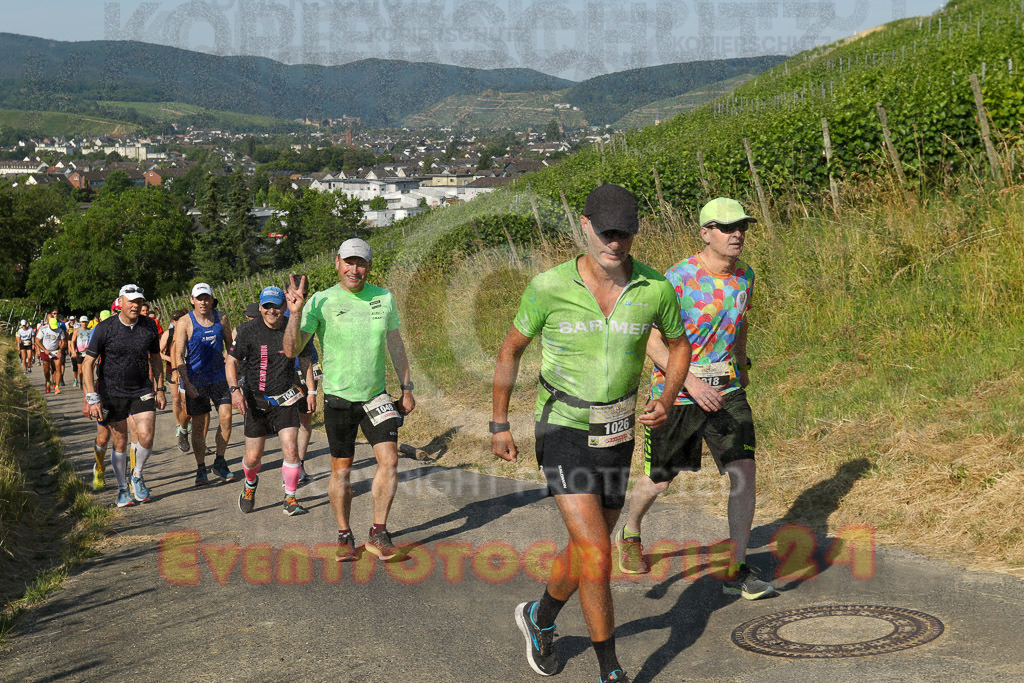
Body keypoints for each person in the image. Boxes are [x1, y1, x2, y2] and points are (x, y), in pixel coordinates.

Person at [491, 184, 690, 683]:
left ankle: (539, 618)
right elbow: (510, 350)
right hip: (561, 425)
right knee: (600, 552)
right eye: (606, 232)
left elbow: (679, 345)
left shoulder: (654, 287)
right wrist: (499, 423)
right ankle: (611, 670)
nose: (615, 242)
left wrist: (666, 399)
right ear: (584, 226)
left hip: (618, 431)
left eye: (624, 233)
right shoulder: (547, 286)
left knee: (589, 544)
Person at [617, 197, 776, 601]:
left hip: (726, 389)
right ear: (706, 233)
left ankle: (737, 567)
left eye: (742, 225)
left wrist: (740, 367)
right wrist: (687, 381)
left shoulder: (745, 276)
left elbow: (739, 325)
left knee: (744, 472)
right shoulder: (678, 278)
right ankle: (631, 532)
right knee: (661, 479)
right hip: (676, 392)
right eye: (726, 227)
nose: (736, 233)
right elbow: (650, 337)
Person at [283, 238, 415, 562]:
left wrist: (407, 387)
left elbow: (395, 344)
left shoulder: (383, 298)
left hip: (376, 396)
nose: (354, 269)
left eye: (361, 263)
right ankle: (344, 534)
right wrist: (295, 313)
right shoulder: (320, 300)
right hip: (340, 399)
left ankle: (379, 531)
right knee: (341, 470)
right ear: (338, 262)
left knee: (391, 460)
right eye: (349, 262)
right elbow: (291, 349)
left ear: (369, 267)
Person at [227, 287, 316, 516]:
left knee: (290, 449)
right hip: (255, 402)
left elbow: (305, 361)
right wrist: (235, 390)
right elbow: (230, 362)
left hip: (285, 399)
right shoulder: (247, 330)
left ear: (284, 307)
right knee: (253, 457)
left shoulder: (293, 329)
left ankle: (290, 498)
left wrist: (312, 392)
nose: (271, 310)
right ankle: (249, 483)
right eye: (266, 306)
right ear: (260, 307)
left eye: (276, 306)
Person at [81, 284, 166, 507]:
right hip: (112, 391)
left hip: (142, 389)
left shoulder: (148, 325)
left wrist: (160, 387)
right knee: (119, 441)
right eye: (131, 301)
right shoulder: (105, 328)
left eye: (139, 301)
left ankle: (136, 476)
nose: (135, 305)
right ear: (120, 302)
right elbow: (88, 363)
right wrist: (91, 397)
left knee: (146, 436)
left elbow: (156, 358)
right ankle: (121, 489)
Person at [172, 283, 238, 486]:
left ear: (211, 299)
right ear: (192, 300)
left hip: (219, 377)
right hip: (196, 380)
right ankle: (201, 468)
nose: (203, 302)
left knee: (226, 418)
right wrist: (187, 382)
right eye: (199, 298)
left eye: (206, 298)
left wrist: (232, 368)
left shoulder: (222, 318)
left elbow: (230, 346)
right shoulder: (184, 322)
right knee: (199, 427)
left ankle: (219, 461)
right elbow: (178, 354)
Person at [160, 309, 192, 453]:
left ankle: (186, 423)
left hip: (188, 371)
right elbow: (160, 353)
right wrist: (173, 363)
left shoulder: (191, 329)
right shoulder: (169, 334)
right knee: (176, 399)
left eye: (179, 318)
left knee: (186, 402)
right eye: (174, 319)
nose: (176, 321)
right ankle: (180, 425)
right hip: (172, 370)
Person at [35, 312, 66, 394]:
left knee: (58, 368)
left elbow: (63, 341)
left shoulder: (59, 330)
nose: (54, 329)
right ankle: (48, 382)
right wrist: (44, 349)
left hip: (55, 351)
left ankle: (57, 387)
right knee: (46, 370)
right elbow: (37, 341)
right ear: (48, 324)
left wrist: (60, 350)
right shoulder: (43, 329)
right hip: (45, 351)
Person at [69, 316, 92, 388]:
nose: (84, 324)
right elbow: (72, 342)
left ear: (88, 322)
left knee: (88, 369)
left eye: (85, 322)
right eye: (83, 322)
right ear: (80, 323)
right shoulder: (76, 331)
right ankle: (81, 381)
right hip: (79, 353)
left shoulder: (90, 331)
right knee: (80, 370)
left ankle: (86, 382)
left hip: (88, 353)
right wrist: (73, 351)